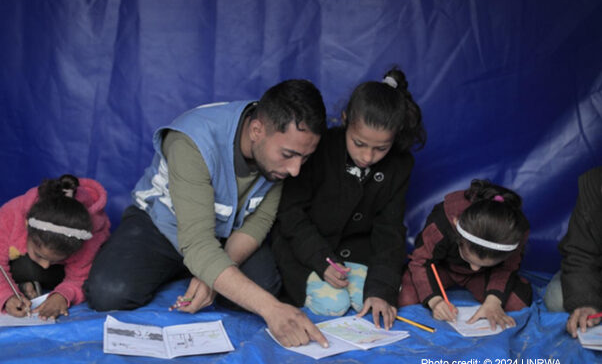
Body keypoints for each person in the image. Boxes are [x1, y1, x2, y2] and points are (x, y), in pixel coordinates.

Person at [85, 79, 329, 347]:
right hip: (161, 226)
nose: (295, 170)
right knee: (109, 293)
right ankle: (186, 268)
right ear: (257, 130)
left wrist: (209, 274)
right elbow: (198, 243)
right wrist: (272, 309)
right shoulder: (192, 140)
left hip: (224, 233)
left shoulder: (277, 155)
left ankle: (203, 271)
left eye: (304, 158)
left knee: (265, 284)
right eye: (288, 155)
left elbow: (258, 221)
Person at [271, 67, 425, 330]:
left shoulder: (400, 165)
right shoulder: (318, 150)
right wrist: (322, 260)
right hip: (305, 249)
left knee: (374, 299)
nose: (367, 157)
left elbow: (389, 229)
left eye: (381, 148)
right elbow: (291, 214)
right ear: (344, 120)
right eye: (359, 143)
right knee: (332, 305)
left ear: (396, 136)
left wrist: (382, 289)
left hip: (357, 254)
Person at [398, 179, 532, 330]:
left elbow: (507, 267)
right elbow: (420, 261)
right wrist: (434, 300)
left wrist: (493, 301)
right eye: (469, 258)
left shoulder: (515, 231)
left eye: (484, 263)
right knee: (405, 297)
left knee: (517, 302)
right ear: (456, 227)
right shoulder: (443, 220)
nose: (475, 268)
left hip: (485, 276)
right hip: (442, 268)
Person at [0, 174, 110, 320]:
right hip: (23, 261)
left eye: (53, 260)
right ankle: (24, 285)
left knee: (96, 282)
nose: (45, 266)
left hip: (65, 271)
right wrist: (5, 296)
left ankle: (32, 282)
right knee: (23, 266)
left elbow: (80, 278)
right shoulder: (11, 214)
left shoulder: (91, 235)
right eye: (40, 255)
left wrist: (63, 295)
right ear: (26, 226)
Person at [542, 166, 602, 337]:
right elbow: (581, 252)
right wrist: (586, 302)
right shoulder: (595, 183)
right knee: (557, 299)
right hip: (597, 275)